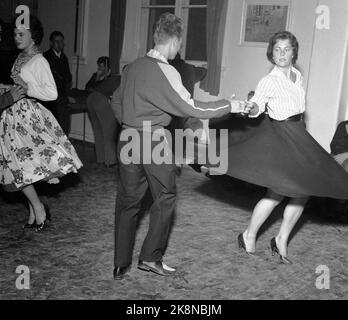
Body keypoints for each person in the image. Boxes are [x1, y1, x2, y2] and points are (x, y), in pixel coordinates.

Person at [112, 13, 246, 280]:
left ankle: (120, 264)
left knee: (128, 201)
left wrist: (130, 123)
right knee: (165, 197)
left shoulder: (133, 67)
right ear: (174, 42)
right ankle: (150, 257)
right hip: (153, 140)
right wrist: (231, 105)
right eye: (179, 43)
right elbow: (192, 107)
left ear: (155, 37)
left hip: (128, 138)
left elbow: (115, 100)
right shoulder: (167, 71)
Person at [215, 31, 348, 263]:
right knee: (277, 193)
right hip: (282, 136)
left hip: (299, 134)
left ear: (294, 52)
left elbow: (298, 109)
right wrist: (250, 107)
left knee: (303, 191)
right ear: (271, 53)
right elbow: (257, 105)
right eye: (277, 49)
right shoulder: (269, 81)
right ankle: (248, 235)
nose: (282, 54)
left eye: (286, 49)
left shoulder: (296, 75)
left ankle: (281, 239)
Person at [0, 15, 82, 232]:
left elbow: (52, 93)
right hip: (11, 117)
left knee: (22, 168)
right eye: (15, 34)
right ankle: (35, 209)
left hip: (27, 118)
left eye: (21, 34)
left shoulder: (40, 61)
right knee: (20, 168)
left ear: (33, 36)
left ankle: (39, 208)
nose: (16, 38)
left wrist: (27, 90)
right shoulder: (20, 57)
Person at [43, 31, 72, 135]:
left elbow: (67, 76)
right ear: (51, 43)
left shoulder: (64, 58)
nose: (59, 44)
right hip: (51, 97)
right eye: (56, 41)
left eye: (61, 41)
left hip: (62, 96)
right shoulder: (45, 57)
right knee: (54, 124)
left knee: (64, 123)